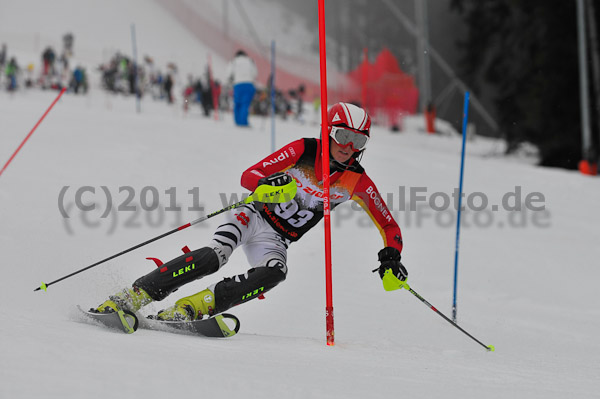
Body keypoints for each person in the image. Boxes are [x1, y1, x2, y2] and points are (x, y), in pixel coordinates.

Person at [92, 102, 408, 322]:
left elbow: (389, 226)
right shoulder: (304, 149)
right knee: (214, 256)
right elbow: (250, 176)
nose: (348, 146)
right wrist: (270, 183)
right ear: (328, 131)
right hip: (252, 216)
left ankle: (193, 307)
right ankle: (133, 296)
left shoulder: (357, 181)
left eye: (358, 140)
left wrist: (391, 255)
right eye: (343, 136)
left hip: (277, 240)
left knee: (276, 272)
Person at [226, 49, 257, 126]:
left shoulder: (234, 61)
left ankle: (237, 121)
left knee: (237, 103)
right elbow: (255, 73)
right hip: (249, 84)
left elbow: (229, 74)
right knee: (245, 104)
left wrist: (231, 80)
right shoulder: (250, 61)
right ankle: (243, 122)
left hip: (238, 84)